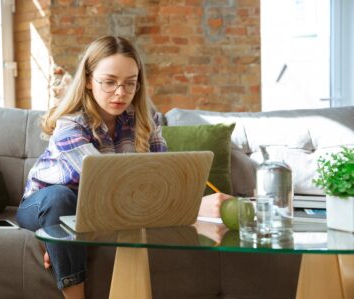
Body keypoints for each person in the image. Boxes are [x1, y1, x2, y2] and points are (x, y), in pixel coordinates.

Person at [16, 35, 232, 299]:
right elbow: (104, 185)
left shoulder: (145, 119)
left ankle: (59, 237)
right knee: (61, 197)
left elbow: (162, 176)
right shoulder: (70, 125)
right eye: (109, 82)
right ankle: (60, 246)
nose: (120, 93)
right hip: (42, 204)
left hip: (95, 211)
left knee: (75, 216)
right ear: (87, 80)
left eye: (130, 83)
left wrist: (188, 203)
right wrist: (194, 207)